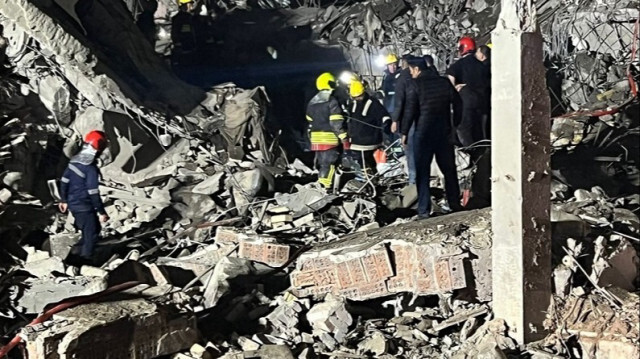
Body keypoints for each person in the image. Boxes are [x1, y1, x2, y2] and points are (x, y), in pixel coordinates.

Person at [402, 57, 463, 219]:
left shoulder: (415, 85)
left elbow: (410, 111)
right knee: (449, 170)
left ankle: (423, 210)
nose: (410, 73)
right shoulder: (443, 82)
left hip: (423, 134)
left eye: (411, 71)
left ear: (417, 70)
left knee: (423, 172)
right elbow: (458, 103)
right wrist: (455, 124)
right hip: (443, 133)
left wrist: (404, 132)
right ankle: (454, 203)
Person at [58, 131, 110, 263]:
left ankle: (75, 255)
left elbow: (64, 181)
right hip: (85, 206)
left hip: (74, 204)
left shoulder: (74, 162)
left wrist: (64, 200)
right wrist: (101, 212)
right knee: (91, 234)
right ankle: (84, 261)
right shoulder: (90, 168)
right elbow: (93, 192)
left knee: (92, 229)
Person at [306, 72, 348, 190]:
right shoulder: (332, 101)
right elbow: (336, 122)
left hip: (315, 138)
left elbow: (309, 120)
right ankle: (327, 188)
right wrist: (343, 136)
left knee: (322, 164)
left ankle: (321, 186)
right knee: (329, 164)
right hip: (329, 138)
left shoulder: (312, 102)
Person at [446, 37, 490, 147]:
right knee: (480, 134)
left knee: (464, 131)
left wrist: (456, 88)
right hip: (484, 104)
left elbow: (449, 85)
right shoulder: (484, 66)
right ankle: (482, 158)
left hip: (466, 104)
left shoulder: (457, 65)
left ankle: (471, 154)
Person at [347, 80, 391, 180]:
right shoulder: (352, 105)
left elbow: (384, 115)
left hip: (369, 140)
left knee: (366, 161)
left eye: (359, 96)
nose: (358, 99)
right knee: (364, 162)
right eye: (355, 97)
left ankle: (371, 179)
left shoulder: (373, 103)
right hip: (356, 140)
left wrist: (386, 124)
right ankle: (371, 179)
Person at [475, 45, 492, 139]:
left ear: (482, 55)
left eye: (478, 52)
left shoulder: (483, 68)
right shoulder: (492, 65)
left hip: (485, 99)